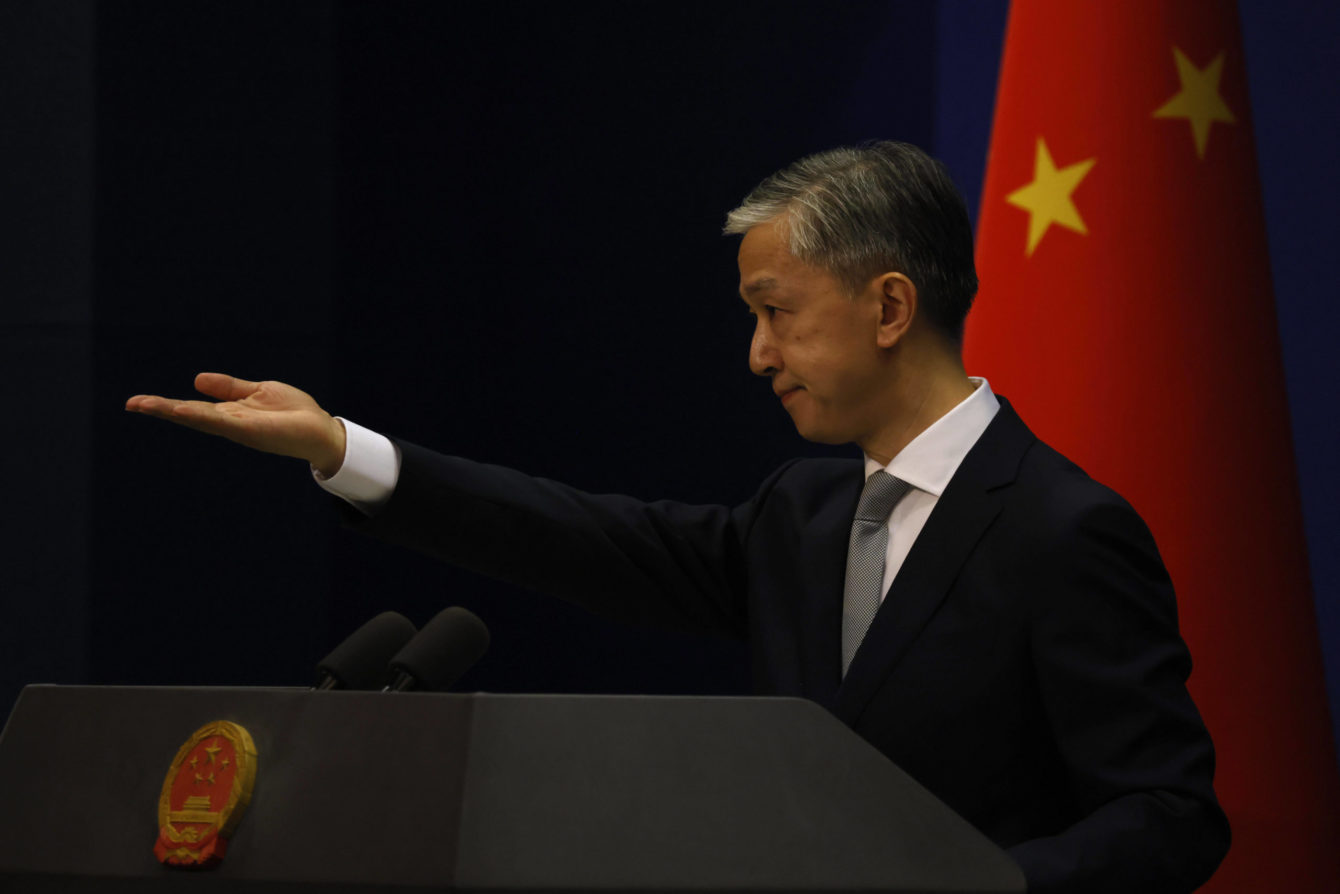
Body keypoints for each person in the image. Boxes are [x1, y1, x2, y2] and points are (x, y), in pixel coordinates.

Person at [126, 141, 1228, 893]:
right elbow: (585, 539)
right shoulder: (801, 512)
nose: (756, 354)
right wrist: (342, 450)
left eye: (774, 312)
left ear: (890, 306)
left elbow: (1170, 816)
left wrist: (976, 884)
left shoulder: (1059, 528)